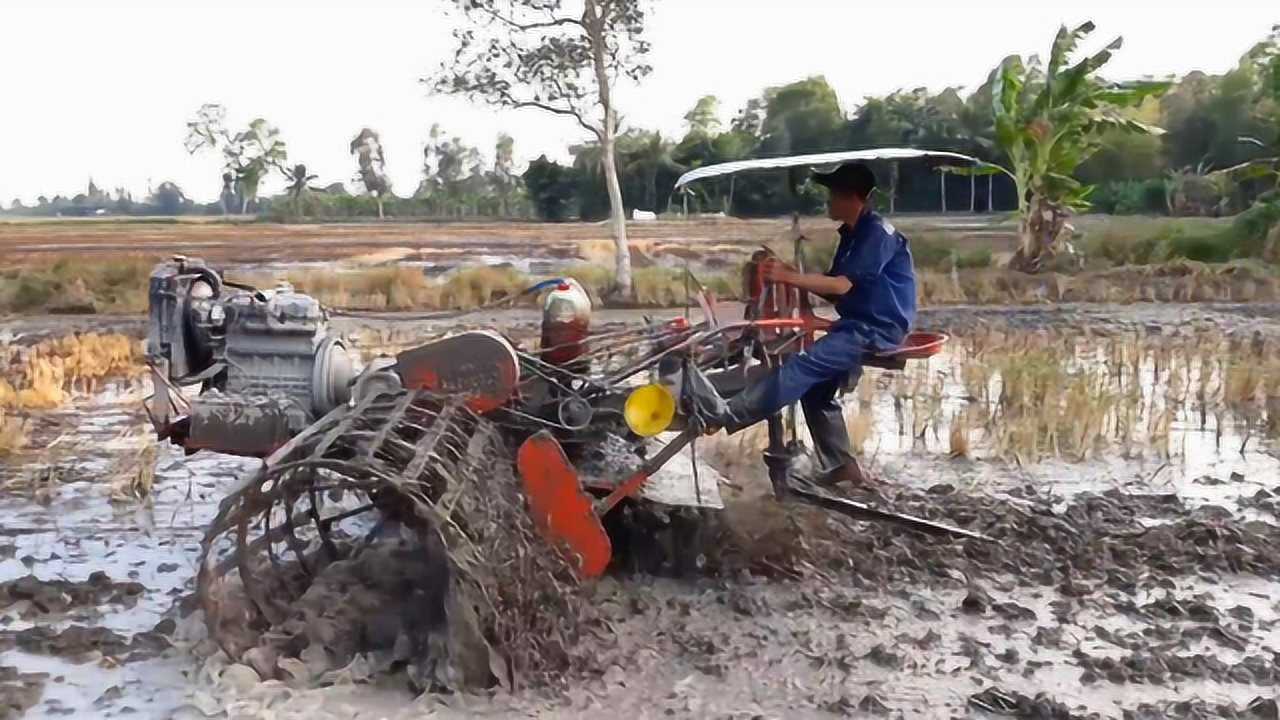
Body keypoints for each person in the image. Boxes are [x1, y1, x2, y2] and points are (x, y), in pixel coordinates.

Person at [705, 162, 917, 486]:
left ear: (851, 197)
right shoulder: (853, 233)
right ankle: (843, 466)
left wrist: (786, 277)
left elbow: (841, 286)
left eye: (832, 194)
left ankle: (726, 414)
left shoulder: (876, 234)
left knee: (801, 367)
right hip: (857, 323)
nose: (828, 201)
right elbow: (832, 287)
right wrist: (793, 277)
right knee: (817, 392)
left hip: (875, 328)